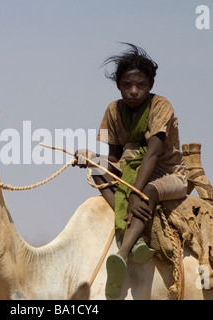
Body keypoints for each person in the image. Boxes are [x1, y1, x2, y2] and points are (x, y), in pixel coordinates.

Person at [74, 43, 187, 298]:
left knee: (148, 191)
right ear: (119, 86)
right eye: (127, 85)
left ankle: (122, 254)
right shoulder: (113, 111)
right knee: (97, 170)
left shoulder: (162, 107)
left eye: (141, 85)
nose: (134, 91)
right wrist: (89, 157)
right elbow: (114, 158)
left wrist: (135, 192)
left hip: (167, 173)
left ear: (150, 85)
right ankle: (135, 237)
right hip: (129, 171)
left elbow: (154, 154)